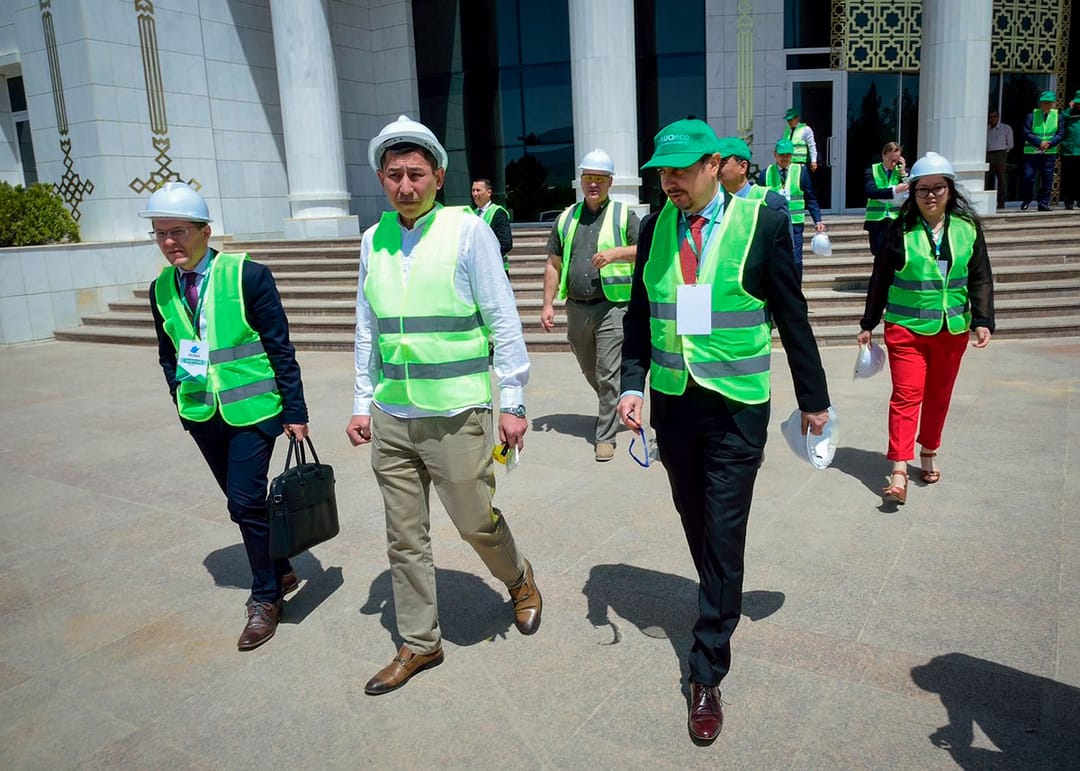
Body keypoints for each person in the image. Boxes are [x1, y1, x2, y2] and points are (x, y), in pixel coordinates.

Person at [618, 118, 831, 746]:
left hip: (738, 405)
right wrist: (633, 386)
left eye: (680, 171)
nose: (669, 182)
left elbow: (791, 312)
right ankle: (718, 592)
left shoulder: (760, 222)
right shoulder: (655, 227)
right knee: (694, 516)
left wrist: (814, 397)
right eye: (662, 172)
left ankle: (707, 667)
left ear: (715, 165)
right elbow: (639, 316)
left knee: (724, 527)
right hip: (676, 404)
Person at [346, 115, 542, 695]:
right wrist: (362, 400)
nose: (404, 186)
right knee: (404, 537)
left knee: (475, 522)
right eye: (393, 175)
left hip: (458, 414)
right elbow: (367, 329)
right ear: (382, 179)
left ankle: (520, 578)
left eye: (415, 174)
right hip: (393, 417)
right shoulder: (371, 240)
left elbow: (502, 322)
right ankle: (420, 643)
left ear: (439, 175)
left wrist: (514, 401)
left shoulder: (467, 232)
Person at [143, 182, 309, 651]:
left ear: (205, 231)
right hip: (201, 412)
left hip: (254, 409)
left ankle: (265, 598)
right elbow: (167, 351)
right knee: (247, 505)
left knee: (243, 502)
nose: (169, 242)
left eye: (177, 231)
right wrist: (179, 397)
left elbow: (280, 345)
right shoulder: (160, 287)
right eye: (160, 233)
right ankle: (280, 568)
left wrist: (296, 409)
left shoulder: (247, 275)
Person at [857, 152, 995, 505]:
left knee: (939, 395)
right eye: (922, 190)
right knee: (906, 396)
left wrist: (982, 320)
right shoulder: (898, 230)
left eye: (938, 188)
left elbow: (980, 277)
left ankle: (929, 449)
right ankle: (900, 468)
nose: (930, 195)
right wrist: (868, 322)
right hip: (906, 329)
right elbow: (880, 279)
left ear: (950, 190)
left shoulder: (967, 229)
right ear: (913, 193)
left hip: (951, 331)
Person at [540, 148, 640, 462]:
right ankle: (616, 403)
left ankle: (605, 436)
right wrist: (547, 304)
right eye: (588, 178)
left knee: (607, 370)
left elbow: (644, 250)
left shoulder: (624, 214)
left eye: (599, 178)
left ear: (610, 182)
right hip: (576, 306)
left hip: (611, 304)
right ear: (580, 182)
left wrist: (616, 254)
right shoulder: (566, 217)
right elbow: (553, 263)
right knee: (588, 366)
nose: (593, 184)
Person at [758, 138, 825, 282]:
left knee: (795, 260)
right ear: (775, 155)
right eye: (781, 155)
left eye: (788, 155)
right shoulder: (765, 174)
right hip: (773, 225)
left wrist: (818, 220)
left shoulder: (801, 172)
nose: (784, 158)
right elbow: (758, 201)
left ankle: (795, 291)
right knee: (774, 259)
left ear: (792, 155)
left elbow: (810, 197)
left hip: (795, 224)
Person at [864, 142, 909, 259]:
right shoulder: (872, 170)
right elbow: (871, 192)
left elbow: (910, 191)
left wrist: (903, 173)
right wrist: (894, 191)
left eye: (896, 160)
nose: (894, 164)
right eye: (890, 160)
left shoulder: (901, 171)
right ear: (883, 156)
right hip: (877, 219)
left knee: (896, 253)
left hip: (895, 219)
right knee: (879, 253)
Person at [1020, 91, 1064, 211]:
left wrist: (1049, 144)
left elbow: (1060, 134)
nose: (1046, 105)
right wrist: (1039, 142)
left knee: (1047, 179)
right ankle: (1027, 200)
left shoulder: (1058, 117)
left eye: (1049, 103)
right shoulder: (1032, 116)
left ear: (1053, 103)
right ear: (1040, 103)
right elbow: (1026, 132)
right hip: (1032, 152)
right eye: (1044, 102)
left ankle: (1043, 203)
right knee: (1029, 177)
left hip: (1049, 152)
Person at [471, 178, 513, 274]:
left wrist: (485, 259)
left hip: (496, 269)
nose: (475, 194)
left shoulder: (499, 213)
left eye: (478, 190)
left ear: (489, 193)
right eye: (473, 190)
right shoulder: (472, 214)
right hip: (477, 270)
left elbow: (506, 243)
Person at [985, 110, 1013, 209]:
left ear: (998, 117)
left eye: (994, 116)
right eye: (990, 117)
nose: (992, 119)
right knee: (985, 178)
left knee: (1001, 179)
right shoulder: (985, 129)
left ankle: (1001, 202)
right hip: (988, 154)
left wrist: (1004, 152)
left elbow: (1010, 144)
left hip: (1000, 153)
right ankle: (986, 202)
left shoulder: (1005, 128)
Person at [1061, 90, 1080, 210]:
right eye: (1077, 104)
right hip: (1069, 151)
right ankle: (1069, 201)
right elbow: (1061, 118)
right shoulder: (1068, 115)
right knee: (1068, 177)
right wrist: (1069, 107)